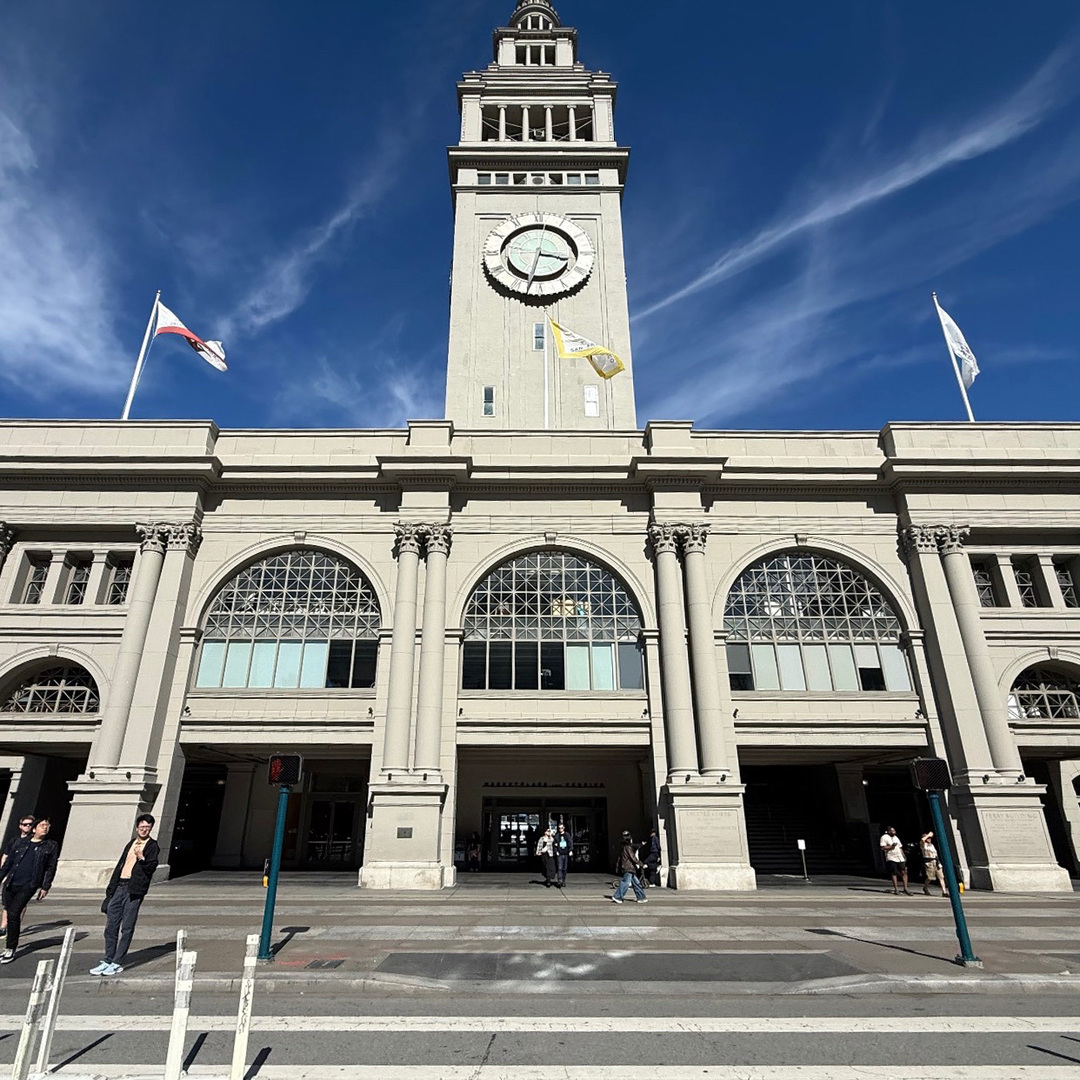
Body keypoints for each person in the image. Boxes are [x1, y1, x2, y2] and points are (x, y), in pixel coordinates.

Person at [91, 813, 160, 977]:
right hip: (119, 886)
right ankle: (108, 959)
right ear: (137, 827)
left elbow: (151, 867)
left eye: (147, 827)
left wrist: (142, 859)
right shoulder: (130, 843)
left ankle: (117, 962)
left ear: (151, 829)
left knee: (127, 927)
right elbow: (120, 866)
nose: (144, 829)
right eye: (142, 826)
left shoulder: (152, 846)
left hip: (134, 889)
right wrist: (110, 890)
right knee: (111, 926)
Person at [0, 817, 59, 962]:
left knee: (14, 914)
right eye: (42, 825)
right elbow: (8, 864)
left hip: (29, 885)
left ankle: (10, 948)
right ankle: (8, 946)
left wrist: (45, 886)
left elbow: (51, 867)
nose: (45, 828)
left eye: (47, 825)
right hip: (11, 882)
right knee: (8, 909)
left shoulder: (50, 846)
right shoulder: (19, 843)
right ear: (34, 829)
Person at [0, 815, 36, 935]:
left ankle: (14, 924)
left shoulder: (34, 841)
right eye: (25, 824)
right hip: (11, 875)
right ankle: (3, 926)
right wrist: (3, 873)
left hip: (25, 878)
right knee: (6, 903)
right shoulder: (14, 841)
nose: (28, 827)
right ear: (20, 826)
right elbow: (6, 855)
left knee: (20, 903)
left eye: (30, 824)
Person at [610, 830, 647, 904]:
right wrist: (642, 864)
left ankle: (641, 897)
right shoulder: (628, 847)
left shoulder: (624, 847)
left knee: (636, 883)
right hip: (629, 867)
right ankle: (618, 896)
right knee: (625, 883)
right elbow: (633, 857)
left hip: (629, 868)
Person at [879, 825, 911, 895]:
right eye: (892, 830)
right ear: (888, 831)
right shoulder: (884, 837)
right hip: (891, 857)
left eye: (894, 830)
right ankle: (896, 889)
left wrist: (904, 856)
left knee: (904, 872)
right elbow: (882, 847)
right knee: (894, 872)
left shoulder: (896, 838)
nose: (894, 832)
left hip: (899, 857)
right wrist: (891, 846)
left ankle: (905, 888)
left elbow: (900, 847)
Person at [920, 831, 948, 897]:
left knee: (941, 877)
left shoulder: (932, 845)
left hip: (936, 862)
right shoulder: (923, 845)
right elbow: (922, 840)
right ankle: (925, 887)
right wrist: (928, 835)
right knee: (930, 877)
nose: (929, 839)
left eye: (930, 838)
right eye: (928, 838)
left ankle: (944, 891)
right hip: (929, 863)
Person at [553, 822, 573, 888]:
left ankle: (563, 880)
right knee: (559, 867)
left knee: (564, 868)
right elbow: (555, 844)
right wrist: (556, 851)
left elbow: (570, 843)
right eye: (559, 828)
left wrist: (570, 850)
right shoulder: (557, 835)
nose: (560, 829)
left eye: (561, 828)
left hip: (566, 853)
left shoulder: (567, 835)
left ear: (564, 828)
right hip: (560, 853)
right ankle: (559, 880)